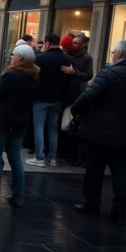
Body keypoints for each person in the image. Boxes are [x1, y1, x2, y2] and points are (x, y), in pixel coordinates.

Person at [73, 40, 126, 224]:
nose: (113, 54)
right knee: (120, 171)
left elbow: (88, 96)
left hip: (98, 133)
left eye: (114, 51)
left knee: (94, 170)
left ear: (121, 54)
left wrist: (76, 110)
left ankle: (91, 203)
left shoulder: (108, 73)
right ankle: (119, 210)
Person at [0, 44, 40, 207]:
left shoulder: (11, 75)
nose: (11, 57)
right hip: (19, 122)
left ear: (19, 58)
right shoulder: (34, 76)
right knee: (15, 158)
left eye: (13, 55)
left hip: (2, 120)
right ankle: (18, 195)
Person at [27, 33, 72, 167]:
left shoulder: (41, 59)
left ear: (46, 43)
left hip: (40, 99)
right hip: (58, 99)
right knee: (53, 128)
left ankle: (39, 157)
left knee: (39, 127)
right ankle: (53, 158)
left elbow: (32, 76)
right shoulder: (66, 59)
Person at [62, 33, 94, 166]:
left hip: (77, 94)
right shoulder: (68, 55)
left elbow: (88, 75)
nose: (72, 44)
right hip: (66, 93)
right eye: (72, 42)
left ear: (83, 44)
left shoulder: (87, 58)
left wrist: (74, 73)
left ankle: (76, 156)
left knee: (73, 126)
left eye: (75, 43)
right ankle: (66, 152)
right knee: (64, 125)